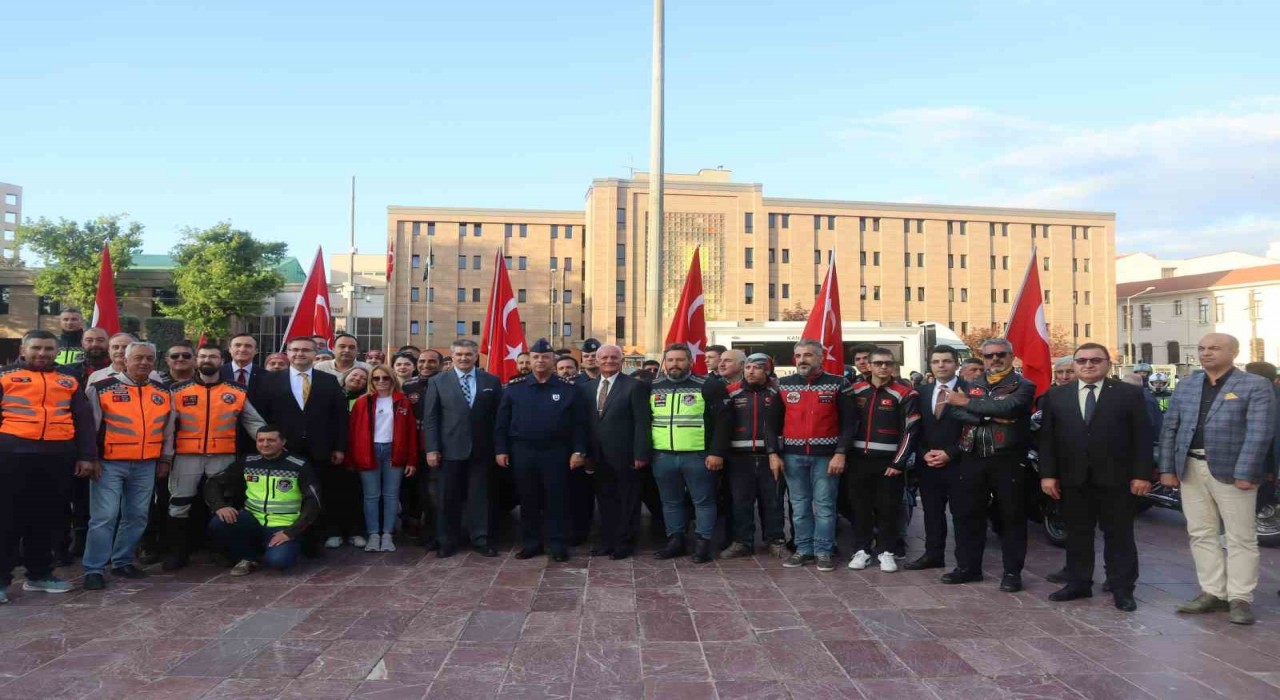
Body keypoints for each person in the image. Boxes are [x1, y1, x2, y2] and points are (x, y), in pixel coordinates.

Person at [1159, 333, 1275, 625]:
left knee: (1240, 537)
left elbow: (1259, 432)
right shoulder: (1187, 385)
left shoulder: (1255, 385)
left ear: (1234, 352)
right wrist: (1167, 469)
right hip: (1190, 468)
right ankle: (1213, 592)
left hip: (1234, 472)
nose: (1206, 353)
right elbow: (1170, 428)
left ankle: (1240, 598)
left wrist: (1246, 472)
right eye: (1202, 348)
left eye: (1214, 348)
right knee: (1200, 533)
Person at [1039, 343, 1153, 612]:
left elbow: (1143, 437)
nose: (1088, 365)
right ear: (1074, 365)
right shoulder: (1056, 395)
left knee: (1119, 536)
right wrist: (1048, 475)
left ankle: (1122, 589)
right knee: (1077, 534)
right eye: (1082, 361)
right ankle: (1078, 583)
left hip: (1117, 479)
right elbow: (1047, 439)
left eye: (1095, 360)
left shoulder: (1128, 394)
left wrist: (1142, 474)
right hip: (1073, 479)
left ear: (1108, 364)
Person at [0, 330, 97, 602]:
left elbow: (83, 420)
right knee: (7, 519)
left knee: (48, 518)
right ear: (23, 349)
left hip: (57, 457)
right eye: (36, 348)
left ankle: (39, 574)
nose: (42, 353)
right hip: (11, 457)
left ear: (56, 352)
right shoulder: (4, 376)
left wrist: (87, 456)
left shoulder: (69, 379)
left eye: (48, 349)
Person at [944, 338, 1037, 591]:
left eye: (1000, 354)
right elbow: (955, 411)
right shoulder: (972, 383)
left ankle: (1012, 573)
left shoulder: (1024, 385)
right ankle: (968, 568)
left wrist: (968, 404)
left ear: (1011, 356)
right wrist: (988, 415)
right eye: (989, 355)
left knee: (1011, 517)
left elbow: (1010, 407)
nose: (995, 359)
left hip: (1007, 458)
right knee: (968, 515)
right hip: (972, 456)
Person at [163, 345, 267, 570]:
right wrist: (166, 456)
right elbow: (168, 427)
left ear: (222, 360)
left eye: (212, 356)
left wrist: (269, 442)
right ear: (196, 360)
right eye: (202, 356)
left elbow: (253, 421)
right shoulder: (178, 390)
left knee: (223, 504)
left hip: (222, 455)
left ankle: (221, 552)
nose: (207, 360)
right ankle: (177, 554)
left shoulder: (236, 390)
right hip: (186, 456)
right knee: (179, 504)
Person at [83, 342, 175, 590]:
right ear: (124, 360)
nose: (144, 362)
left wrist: (165, 458)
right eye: (138, 358)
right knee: (104, 517)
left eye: (149, 358)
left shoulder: (163, 392)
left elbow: (168, 430)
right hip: (109, 464)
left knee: (137, 516)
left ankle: (122, 561)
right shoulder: (101, 388)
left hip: (146, 464)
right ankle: (94, 569)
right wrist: (91, 458)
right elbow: (89, 428)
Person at [252, 336, 353, 553]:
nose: (300, 354)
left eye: (306, 350)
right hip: (284, 449)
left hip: (320, 448)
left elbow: (339, 417)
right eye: (295, 350)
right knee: (289, 494)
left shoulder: (328, 380)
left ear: (315, 354)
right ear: (288, 353)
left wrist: (339, 447)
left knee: (317, 492)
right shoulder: (270, 380)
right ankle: (288, 538)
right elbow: (262, 416)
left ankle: (315, 540)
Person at [496, 339, 589, 561]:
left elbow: (580, 424)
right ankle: (531, 544)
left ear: (553, 360)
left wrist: (579, 450)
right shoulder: (515, 388)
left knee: (557, 499)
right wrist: (501, 449)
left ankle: (557, 544)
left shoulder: (569, 389)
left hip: (556, 451)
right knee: (528, 499)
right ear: (530, 360)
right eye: (536, 357)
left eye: (545, 357)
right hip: (523, 451)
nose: (540, 361)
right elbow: (502, 422)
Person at [777, 339, 856, 572]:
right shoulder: (783, 384)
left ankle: (823, 550)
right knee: (799, 506)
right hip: (792, 456)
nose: (802, 359)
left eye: (808, 355)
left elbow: (850, 423)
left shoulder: (839, 383)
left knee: (824, 506)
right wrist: (773, 453)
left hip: (826, 457)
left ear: (821, 358)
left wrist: (841, 453)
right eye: (799, 355)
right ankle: (804, 549)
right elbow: (771, 423)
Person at [648, 343, 729, 564]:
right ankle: (676, 540)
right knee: (670, 502)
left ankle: (703, 542)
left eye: (680, 360)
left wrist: (716, 452)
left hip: (698, 456)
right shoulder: (653, 386)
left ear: (690, 362)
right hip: (662, 456)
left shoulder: (708, 385)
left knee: (703, 501)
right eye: (670, 360)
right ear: (665, 362)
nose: (675, 364)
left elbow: (723, 422)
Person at [422, 339, 503, 557]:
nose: (464, 358)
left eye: (468, 354)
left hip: (482, 450)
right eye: (459, 354)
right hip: (449, 450)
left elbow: (499, 418)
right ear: (452, 357)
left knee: (480, 497)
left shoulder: (491, 381)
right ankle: (447, 541)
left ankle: (480, 538)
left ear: (476, 356)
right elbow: (431, 418)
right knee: (448, 498)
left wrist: (499, 448)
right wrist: (432, 449)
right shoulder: (438, 381)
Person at [205, 425, 321, 576]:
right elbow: (214, 483)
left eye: (271, 440)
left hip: (284, 526)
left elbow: (314, 502)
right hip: (252, 520)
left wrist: (291, 532)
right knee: (218, 523)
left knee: (278, 561)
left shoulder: (298, 465)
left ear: (283, 442)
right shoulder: (248, 461)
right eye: (261, 440)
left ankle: (280, 548)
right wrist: (219, 506)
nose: (265, 444)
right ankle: (248, 557)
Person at [848, 348, 919, 573]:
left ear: (894, 366)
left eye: (888, 363)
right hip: (858, 461)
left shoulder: (905, 393)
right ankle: (862, 550)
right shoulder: (854, 390)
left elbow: (910, 431)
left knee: (888, 509)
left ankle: (887, 551)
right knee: (860, 508)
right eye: (878, 363)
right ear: (869, 365)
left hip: (889, 463)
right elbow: (844, 424)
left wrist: (898, 463)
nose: (883, 367)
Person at [579, 344, 651, 559]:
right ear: (597, 361)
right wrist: (585, 453)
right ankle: (607, 541)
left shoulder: (634, 386)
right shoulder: (587, 388)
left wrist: (640, 453)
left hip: (626, 455)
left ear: (621, 361)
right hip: (598, 456)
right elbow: (584, 423)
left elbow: (642, 423)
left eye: (613, 357)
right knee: (605, 501)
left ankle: (624, 543)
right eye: (604, 358)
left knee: (627, 501)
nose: (609, 361)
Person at [904, 346, 968, 572]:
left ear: (956, 363)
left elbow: (972, 427)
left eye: (947, 361)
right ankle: (933, 555)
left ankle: (965, 562)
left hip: (960, 463)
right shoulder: (920, 392)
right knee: (931, 513)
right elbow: (915, 427)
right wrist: (923, 452)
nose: (941, 365)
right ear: (930, 365)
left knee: (962, 515)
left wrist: (951, 453)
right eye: (936, 361)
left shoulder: (970, 391)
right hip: (928, 463)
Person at [53, 327, 111, 564]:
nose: (95, 344)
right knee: (65, 496)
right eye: (90, 340)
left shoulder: (117, 372)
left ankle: (87, 542)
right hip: (67, 443)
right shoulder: (68, 372)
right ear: (82, 343)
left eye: (100, 340)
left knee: (91, 500)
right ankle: (63, 545)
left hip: (104, 446)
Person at [720, 353, 787, 559]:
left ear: (767, 370)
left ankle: (775, 541)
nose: (751, 371)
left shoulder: (779, 392)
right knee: (740, 501)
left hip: (771, 456)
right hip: (739, 457)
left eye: (757, 367)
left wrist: (777, 451)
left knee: (773, 501)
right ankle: (742, 542)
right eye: (748, 367)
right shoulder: (731, 391)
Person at [346, 365, 419, 552]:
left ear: (392, 379)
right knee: (371, 496)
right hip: (368, 451)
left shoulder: (403, 401)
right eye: (376, 378)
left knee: (391, 495)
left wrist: (412, 460)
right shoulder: (362, 402)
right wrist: (351, 459)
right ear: (371, 381)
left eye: (385, 378)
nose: (381, 382)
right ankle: (373, 534)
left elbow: (411, 432)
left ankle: (387, 534)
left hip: (394, 452)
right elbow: (352, 432)